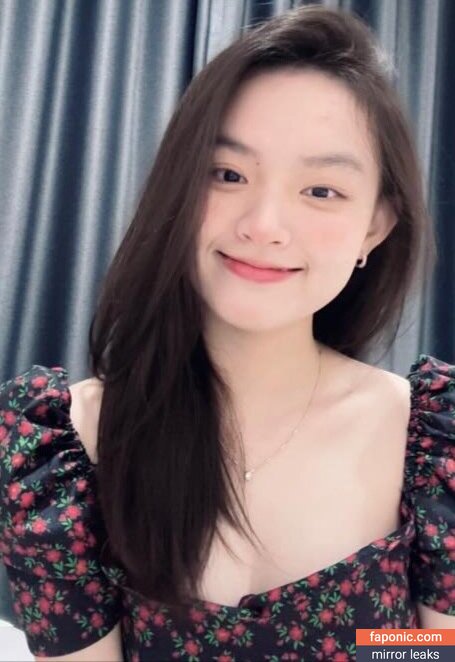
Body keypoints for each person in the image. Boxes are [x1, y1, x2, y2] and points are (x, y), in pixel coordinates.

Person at [0, 4, 454, 661]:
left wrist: (364, 647)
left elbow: (433, 647)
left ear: (375, 227)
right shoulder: (58, 454)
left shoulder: (431, 438)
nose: (264, 224)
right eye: (229, 175)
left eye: (321, 190)